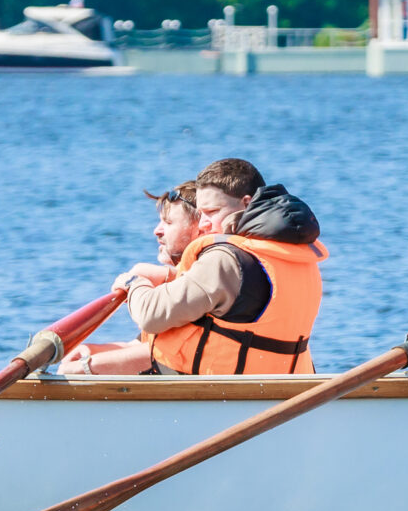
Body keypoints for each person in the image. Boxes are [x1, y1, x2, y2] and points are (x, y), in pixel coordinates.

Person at [117, 158, 327, 375]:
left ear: (246, 203)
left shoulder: (226, 258)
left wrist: (133, 283)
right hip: (284, 388)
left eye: (212, 212)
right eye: (201, 213)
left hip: (223, 395)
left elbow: (152, 315)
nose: (203, 223)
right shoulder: (293, 253)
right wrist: (172, 274)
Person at [65, 184, 200, 377]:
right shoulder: (175, 281)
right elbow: (139, 346)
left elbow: (165, 353)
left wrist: (87, 366)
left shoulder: (203, 285)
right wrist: (90, 350)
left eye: (168, 223)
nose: (157, 231)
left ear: (200, 229)